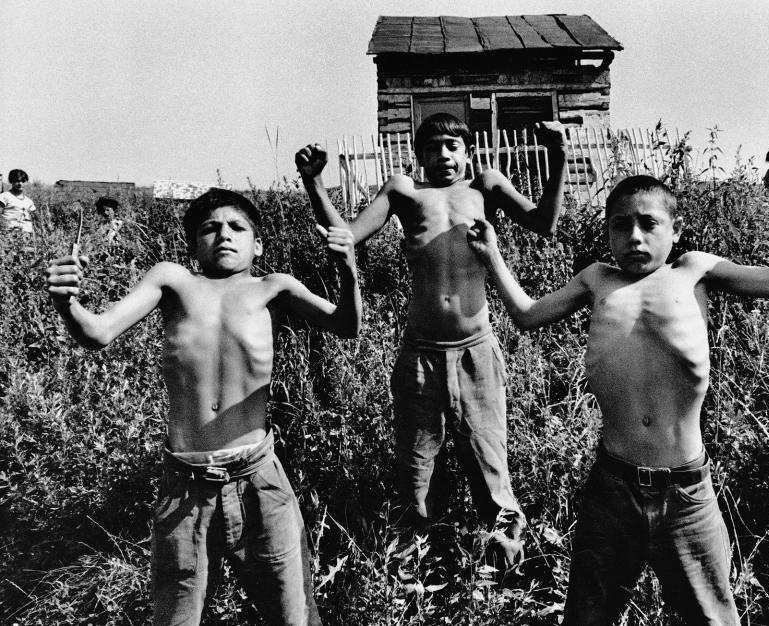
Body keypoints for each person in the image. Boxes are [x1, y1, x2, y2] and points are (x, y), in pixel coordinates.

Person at [466, 158, 769, 624]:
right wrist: (492, 255)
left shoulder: (694, 272)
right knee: (586, 617)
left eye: (649, 224)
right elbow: (527, 314)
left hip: (685, 493)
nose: (635, 237)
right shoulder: (597, 279)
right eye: (621, 226)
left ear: (675, 231)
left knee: (714, 619)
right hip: (612, 490)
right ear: (607, 234)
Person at [44, 188, 361, 625]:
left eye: (237, 227)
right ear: (194, 244)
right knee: (177, 616)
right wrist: (68, 303)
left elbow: (345, 325)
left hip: (258, 481)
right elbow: (98, 333)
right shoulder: (172, 280)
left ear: (259, 243)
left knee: (294, 615)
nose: (224, 235)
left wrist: (348, 272)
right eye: (209, 229)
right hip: (185, 487)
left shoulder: (273, 287)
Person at [295, 113, 569, 564]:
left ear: (468, 152)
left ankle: (504, 563)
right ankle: (413, 570)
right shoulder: (404, 191)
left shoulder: (486, 186)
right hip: (421, 354)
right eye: (432, 147)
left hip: (476, 350)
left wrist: (557, 157)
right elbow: (345, 237)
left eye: (452, 146)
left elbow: (545, 223)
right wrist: (315, 183)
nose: (443, 155)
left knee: (489, 459)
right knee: (417, 464)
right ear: (418, 155)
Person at [0, 169, 37, 233]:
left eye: (23, 181)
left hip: (27, 236)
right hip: (9, 234)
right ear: (11, 181)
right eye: (17, 181)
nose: (20, 184)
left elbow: (34, 220)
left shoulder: (29, 201)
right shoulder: (4, 197)